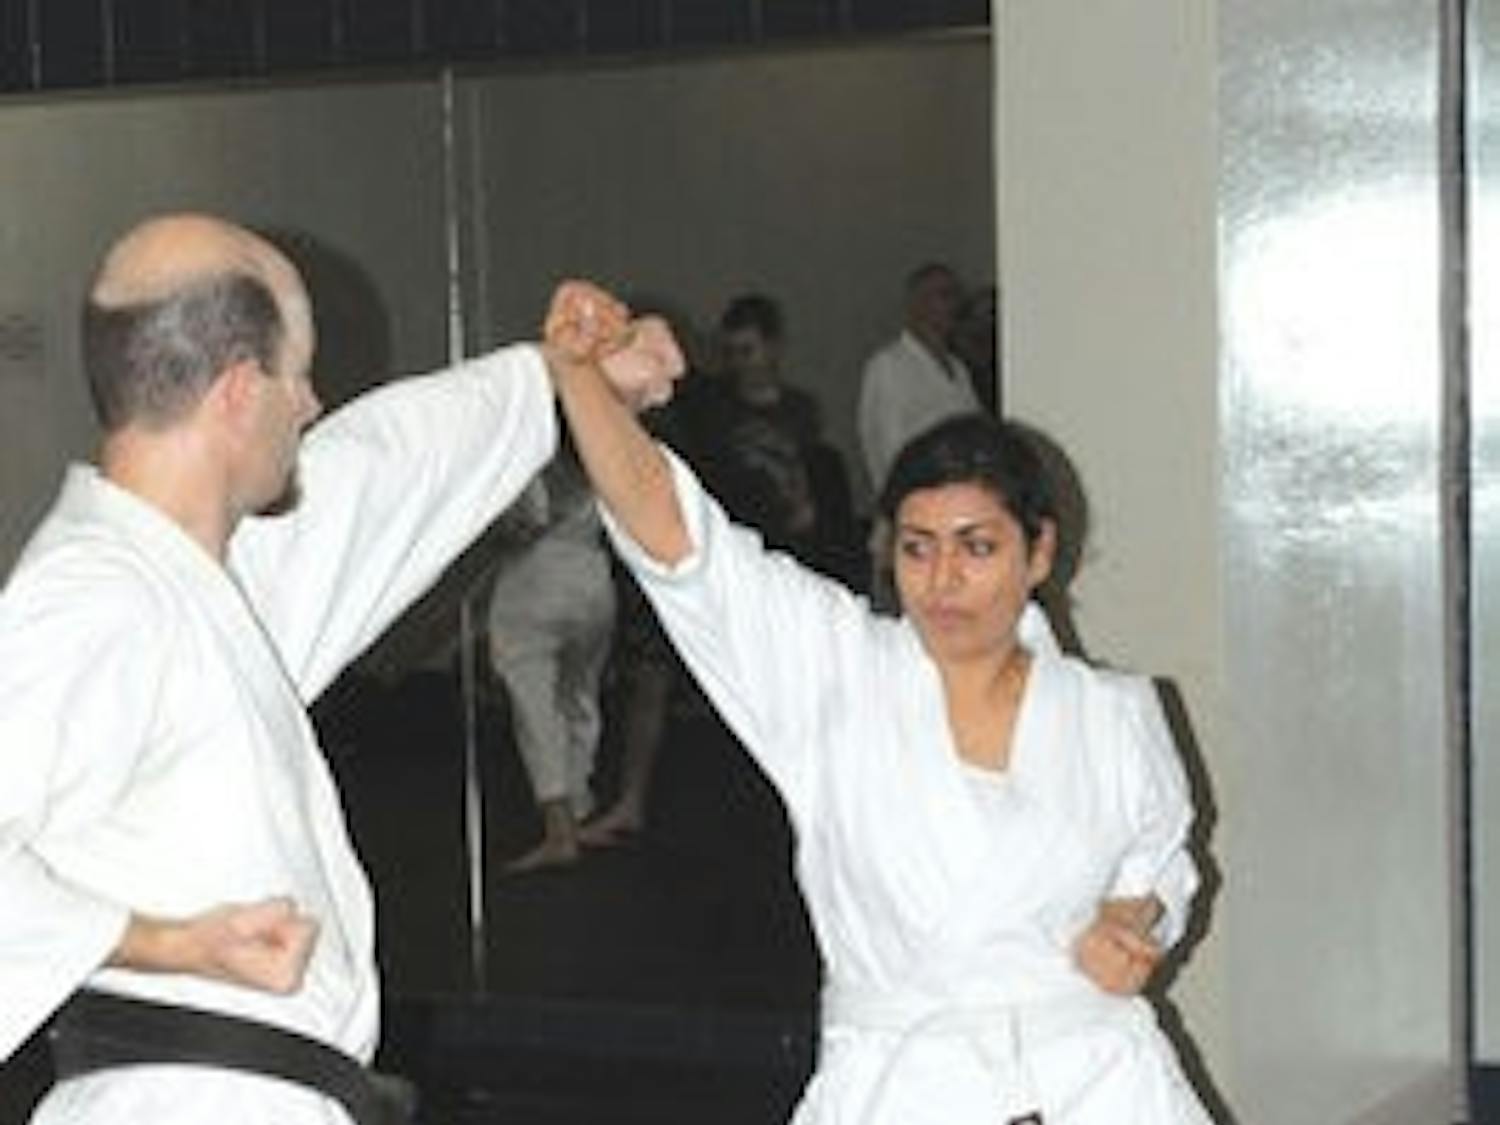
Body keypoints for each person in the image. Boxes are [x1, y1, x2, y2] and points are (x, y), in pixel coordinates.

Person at [0, 214, 659, 1124]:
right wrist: (158, 942)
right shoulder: (97, 599)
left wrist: (557, 377)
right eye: (297, 374)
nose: (310, 404)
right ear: (237, 390)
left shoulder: (198, 582)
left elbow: (379, 471)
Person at [546, 290, 1213, 1124]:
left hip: (1097, 1083)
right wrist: (579, 380)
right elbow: (681, 543)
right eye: (917, 547)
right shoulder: (838, 674)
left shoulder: (1116, 715)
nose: (943, 581)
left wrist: (1131, 915)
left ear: (1038, 551)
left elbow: (1156, 860)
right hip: (904, 1084)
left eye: (978, 547)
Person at [487, 444, 617, 873]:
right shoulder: (601, 453)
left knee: (535, 703)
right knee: (579, 695)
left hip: (536, 577)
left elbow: (522, 526)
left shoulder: (527, 458)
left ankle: (559, 827)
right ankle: (579, 807)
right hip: (594, 575)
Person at [856, 262, 982, 496]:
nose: (954, 305)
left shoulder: (959, 369)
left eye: (956, 295)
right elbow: (887, 449)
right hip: (914, 499)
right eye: (944, 295)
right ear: (917, 304)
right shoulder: (889, 366)